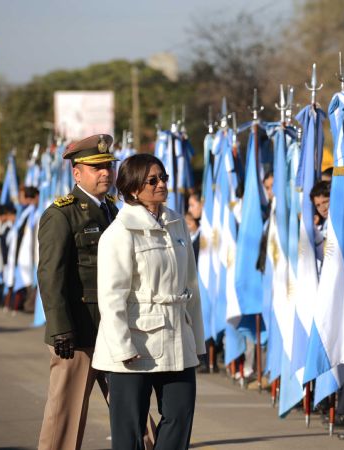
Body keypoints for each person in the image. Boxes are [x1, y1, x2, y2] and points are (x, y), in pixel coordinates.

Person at [92, 153, 205, 450]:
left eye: (163, 177)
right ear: (132, 189)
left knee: (180, 417)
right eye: (152, 180)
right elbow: (111, 295)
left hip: (177, 336)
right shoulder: (119, 233)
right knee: (129, 430)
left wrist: (198, 339)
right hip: (135, 342)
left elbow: (190, 284)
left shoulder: (177, 223)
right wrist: (121, 347)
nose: (161, 184)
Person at [37, 134, 120, 450]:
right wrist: (61, 329)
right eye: (96, 167)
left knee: (131, 408)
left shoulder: (114, 210)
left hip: (115, 327)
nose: (105, 173)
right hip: (79, 330)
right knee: (65, 416)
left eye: (108, 166)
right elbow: (50, 274)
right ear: (77, 173)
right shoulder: (61, 214)